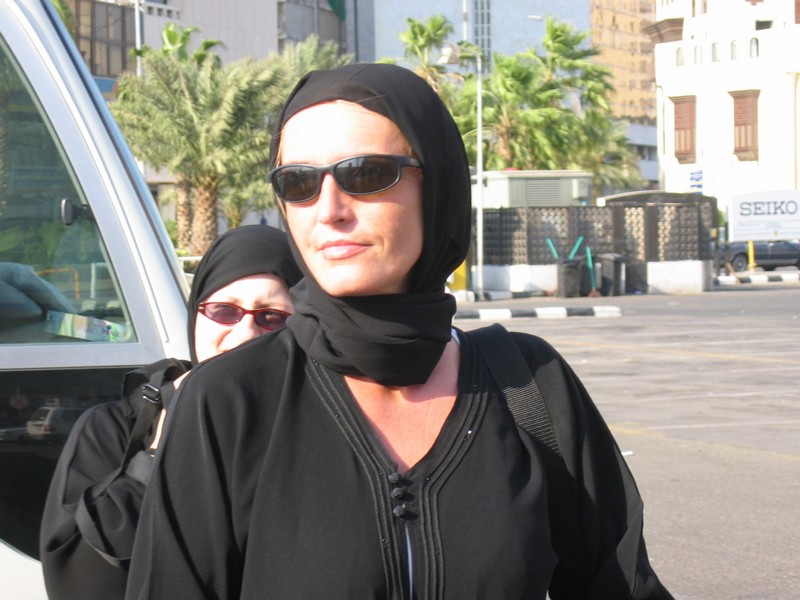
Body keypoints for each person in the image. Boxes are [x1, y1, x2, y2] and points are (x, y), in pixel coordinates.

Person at [125, 63, 673, 599]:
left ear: (436, 187)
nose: (329, 210)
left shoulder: (529, 384)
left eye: (365, 174)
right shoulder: (229, 401)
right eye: (299, 183)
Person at [39, 225, 302, 600]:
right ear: (196, 315)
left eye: (272, 317)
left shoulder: (322, 430)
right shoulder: (114, 431)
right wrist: (162, 446)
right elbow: (79, 579)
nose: (245, 333)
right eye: (225, 311)